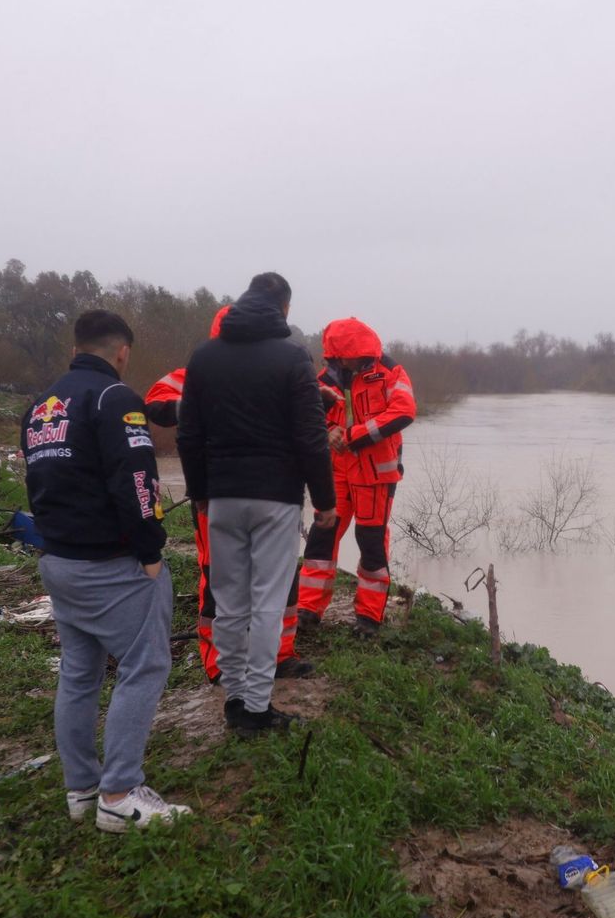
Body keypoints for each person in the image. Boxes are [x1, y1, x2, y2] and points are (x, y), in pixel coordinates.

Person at [22, 310, 190, 832]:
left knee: (79, 671)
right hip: (110, 564)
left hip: (57, 560)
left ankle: (82, 788)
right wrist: (151, 550)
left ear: (75, 349)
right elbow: (136, 480)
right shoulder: (116, 399)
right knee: (145, 665)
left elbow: (39, 481)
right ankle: (119, 795)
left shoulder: (40, 407)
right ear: (122, 352)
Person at [176, 273, 337, 738]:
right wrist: (324, 500)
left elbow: (189, 434)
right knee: (267, 602)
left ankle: (233, 700)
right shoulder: (292, 357)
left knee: (229, 603)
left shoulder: (204, 356)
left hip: (222, 498)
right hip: (276, 498)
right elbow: (310, 437)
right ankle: (257, 708)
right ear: (283, 308)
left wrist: (200, 492)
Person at [144, 306, 311, 683]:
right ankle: (220, 664)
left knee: (282, 575)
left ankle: (280, 655)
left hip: (274, 493)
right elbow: (155, 403)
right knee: (219, 577)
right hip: (216, 495)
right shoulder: (193, 375)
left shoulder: (282, 373)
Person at [293, 317, 416, 640]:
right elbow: (306, 418)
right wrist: (328, 432)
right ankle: (308, 609)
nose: (337, 362)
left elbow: (404, 411)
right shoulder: (324, 380)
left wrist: (352, 435)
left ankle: (368, 616)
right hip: (335, 472)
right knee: (322, 537)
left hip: (375, 474)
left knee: (371, 542)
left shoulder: (391, 372)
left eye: (341, 357)